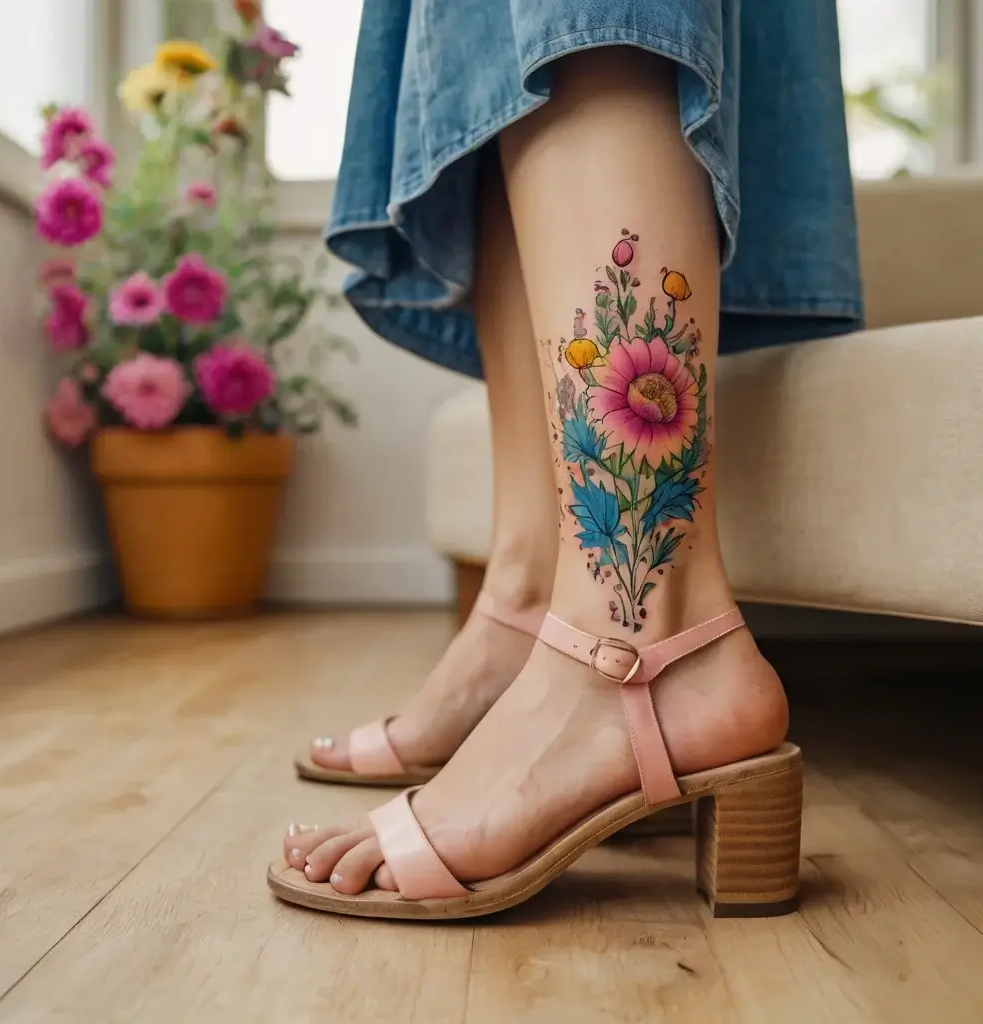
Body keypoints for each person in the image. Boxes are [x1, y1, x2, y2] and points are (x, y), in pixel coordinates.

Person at [268, 0, 861, 919]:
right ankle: (539, 598)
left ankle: (633, 643)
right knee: (487, 47)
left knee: (584, 17)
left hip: (639, 645)